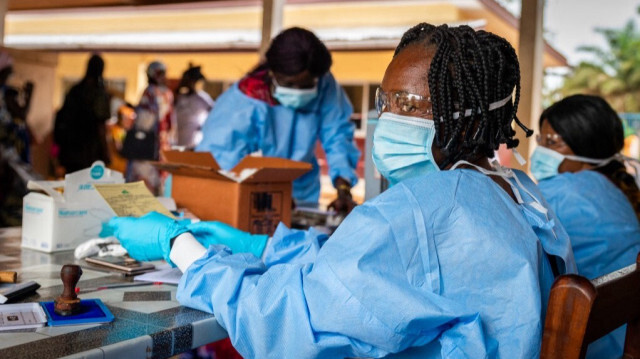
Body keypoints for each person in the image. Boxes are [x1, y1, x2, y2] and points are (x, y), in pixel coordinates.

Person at [108, 24, 576, 358]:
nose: (387, 118)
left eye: (408, 104)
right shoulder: (515, 190)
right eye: (384, 101)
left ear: (469, 117)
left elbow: (284, 329)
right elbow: (372, 273)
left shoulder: (416, 211)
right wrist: (265, 246)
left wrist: (181, 248)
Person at [196, 27, 359, 212]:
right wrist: (265, 195)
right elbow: (221, 162)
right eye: (289, 84)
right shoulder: (244, 99)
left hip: (304, 198)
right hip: (253, 199)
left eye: (306, 86)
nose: (298, 91)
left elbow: (338, 136)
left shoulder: (322, 81)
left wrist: (343, 189)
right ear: (271, 73)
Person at [531, 94, 640, 359]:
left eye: (552, 142)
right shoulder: (616, 190)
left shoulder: (559, 193)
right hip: (622, 339)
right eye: (541, 141)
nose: (540, 151)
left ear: (585, 143)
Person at [54, 53, 110, 173]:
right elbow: (101, 125)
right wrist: (106, 152)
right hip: (89, 152)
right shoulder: (98, 93)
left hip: (71, 150)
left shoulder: (75, 90)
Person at [125, 61, 174, 195]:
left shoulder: (150, 92)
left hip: (146, 148)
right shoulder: (168, 94)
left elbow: (144, 120)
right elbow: (170, 123)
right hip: (162, 148)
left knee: (141, 188)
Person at [174, 64, 214, 149]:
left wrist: (204, 127)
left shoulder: (202, 98)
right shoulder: (179, 98)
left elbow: (215, 113)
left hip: (196, 143)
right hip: (179, 142)